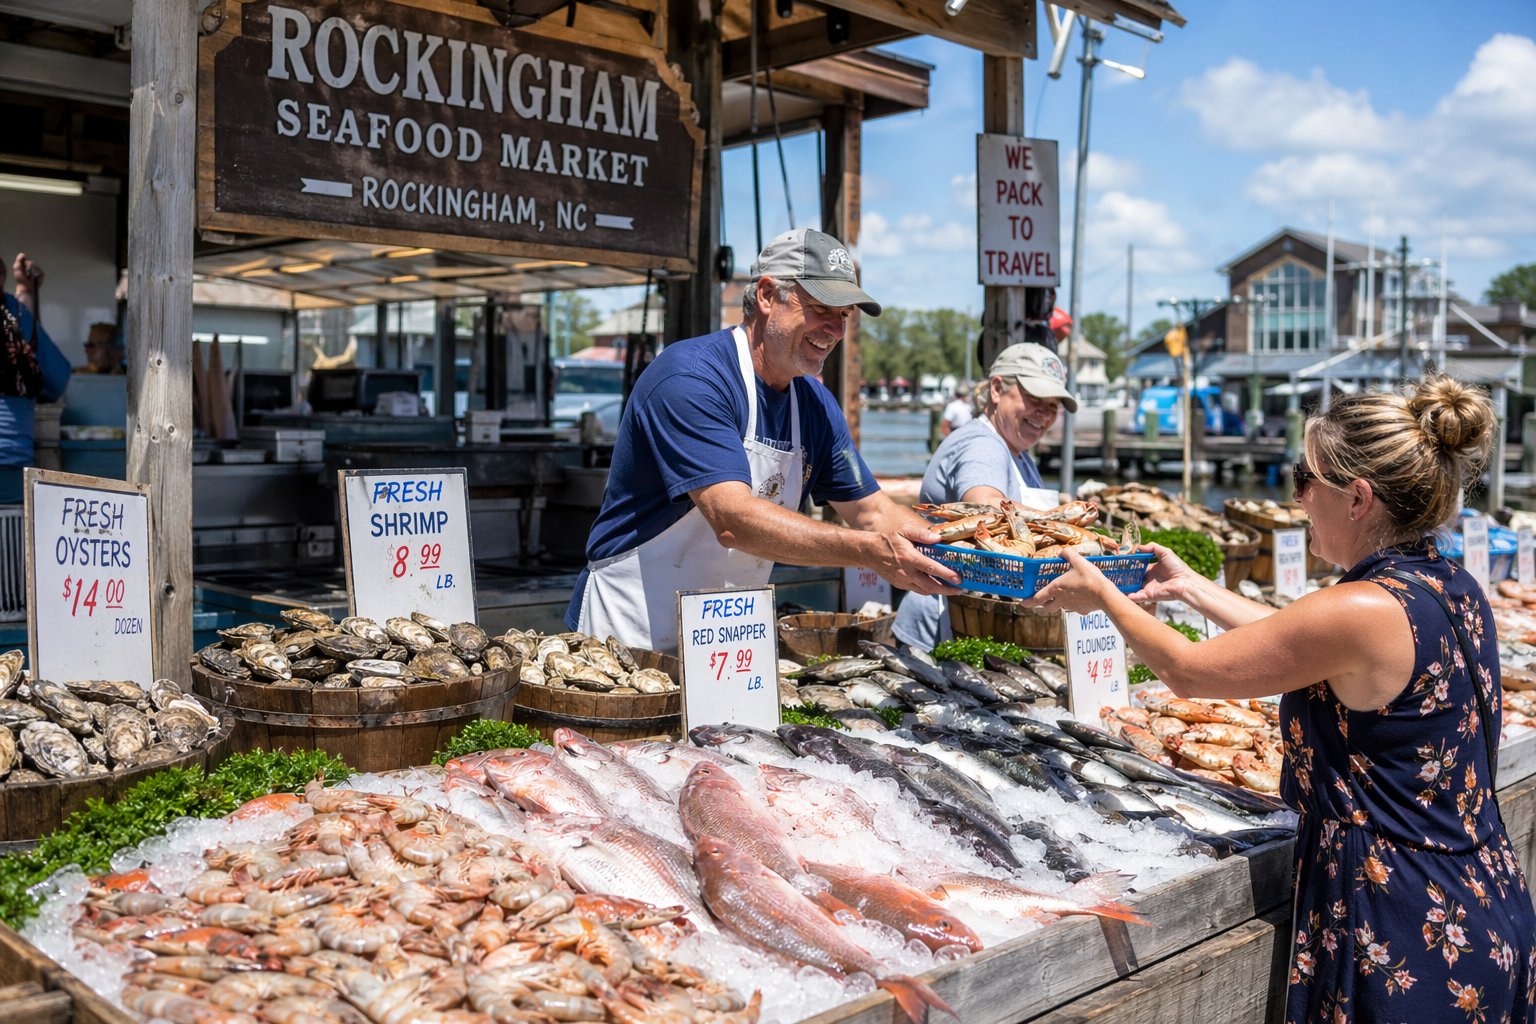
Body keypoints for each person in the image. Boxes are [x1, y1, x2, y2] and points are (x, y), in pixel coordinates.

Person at [1029, 373, 1536, 1024]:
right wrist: (1193, 589)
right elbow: (1296, 640)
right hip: (1479, 901)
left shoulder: (1359, 608)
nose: (1296, 498)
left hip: (1403, 929)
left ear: (1357, 497)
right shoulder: (1447, 583)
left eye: (1306, 478)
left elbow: (1188, 671)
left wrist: (1102, 597)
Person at [566, 228, 960, 653]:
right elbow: (733, 519)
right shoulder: (692, 377)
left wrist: (982, 561)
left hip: (726, 642)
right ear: (769, 295)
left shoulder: (814, 404)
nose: (834, 329)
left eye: (843, 315)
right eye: (820, 308)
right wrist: (869, 552)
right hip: (627, 635)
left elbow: (872, 512)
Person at [893, 342, 1077, 649]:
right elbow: (987, 507)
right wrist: (1059, 520)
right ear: (996, 389)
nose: (1044, 414)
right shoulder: (983, 445)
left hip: (986, 622)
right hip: (947, 630)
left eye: (1054, 405)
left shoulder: (1016, 450)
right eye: (1035, 398)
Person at [0, 253, 69, 505]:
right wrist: (25, 290)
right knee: (14, 539)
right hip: (12, 464)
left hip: (12, 462)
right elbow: (54, 380)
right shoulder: (16, 317)